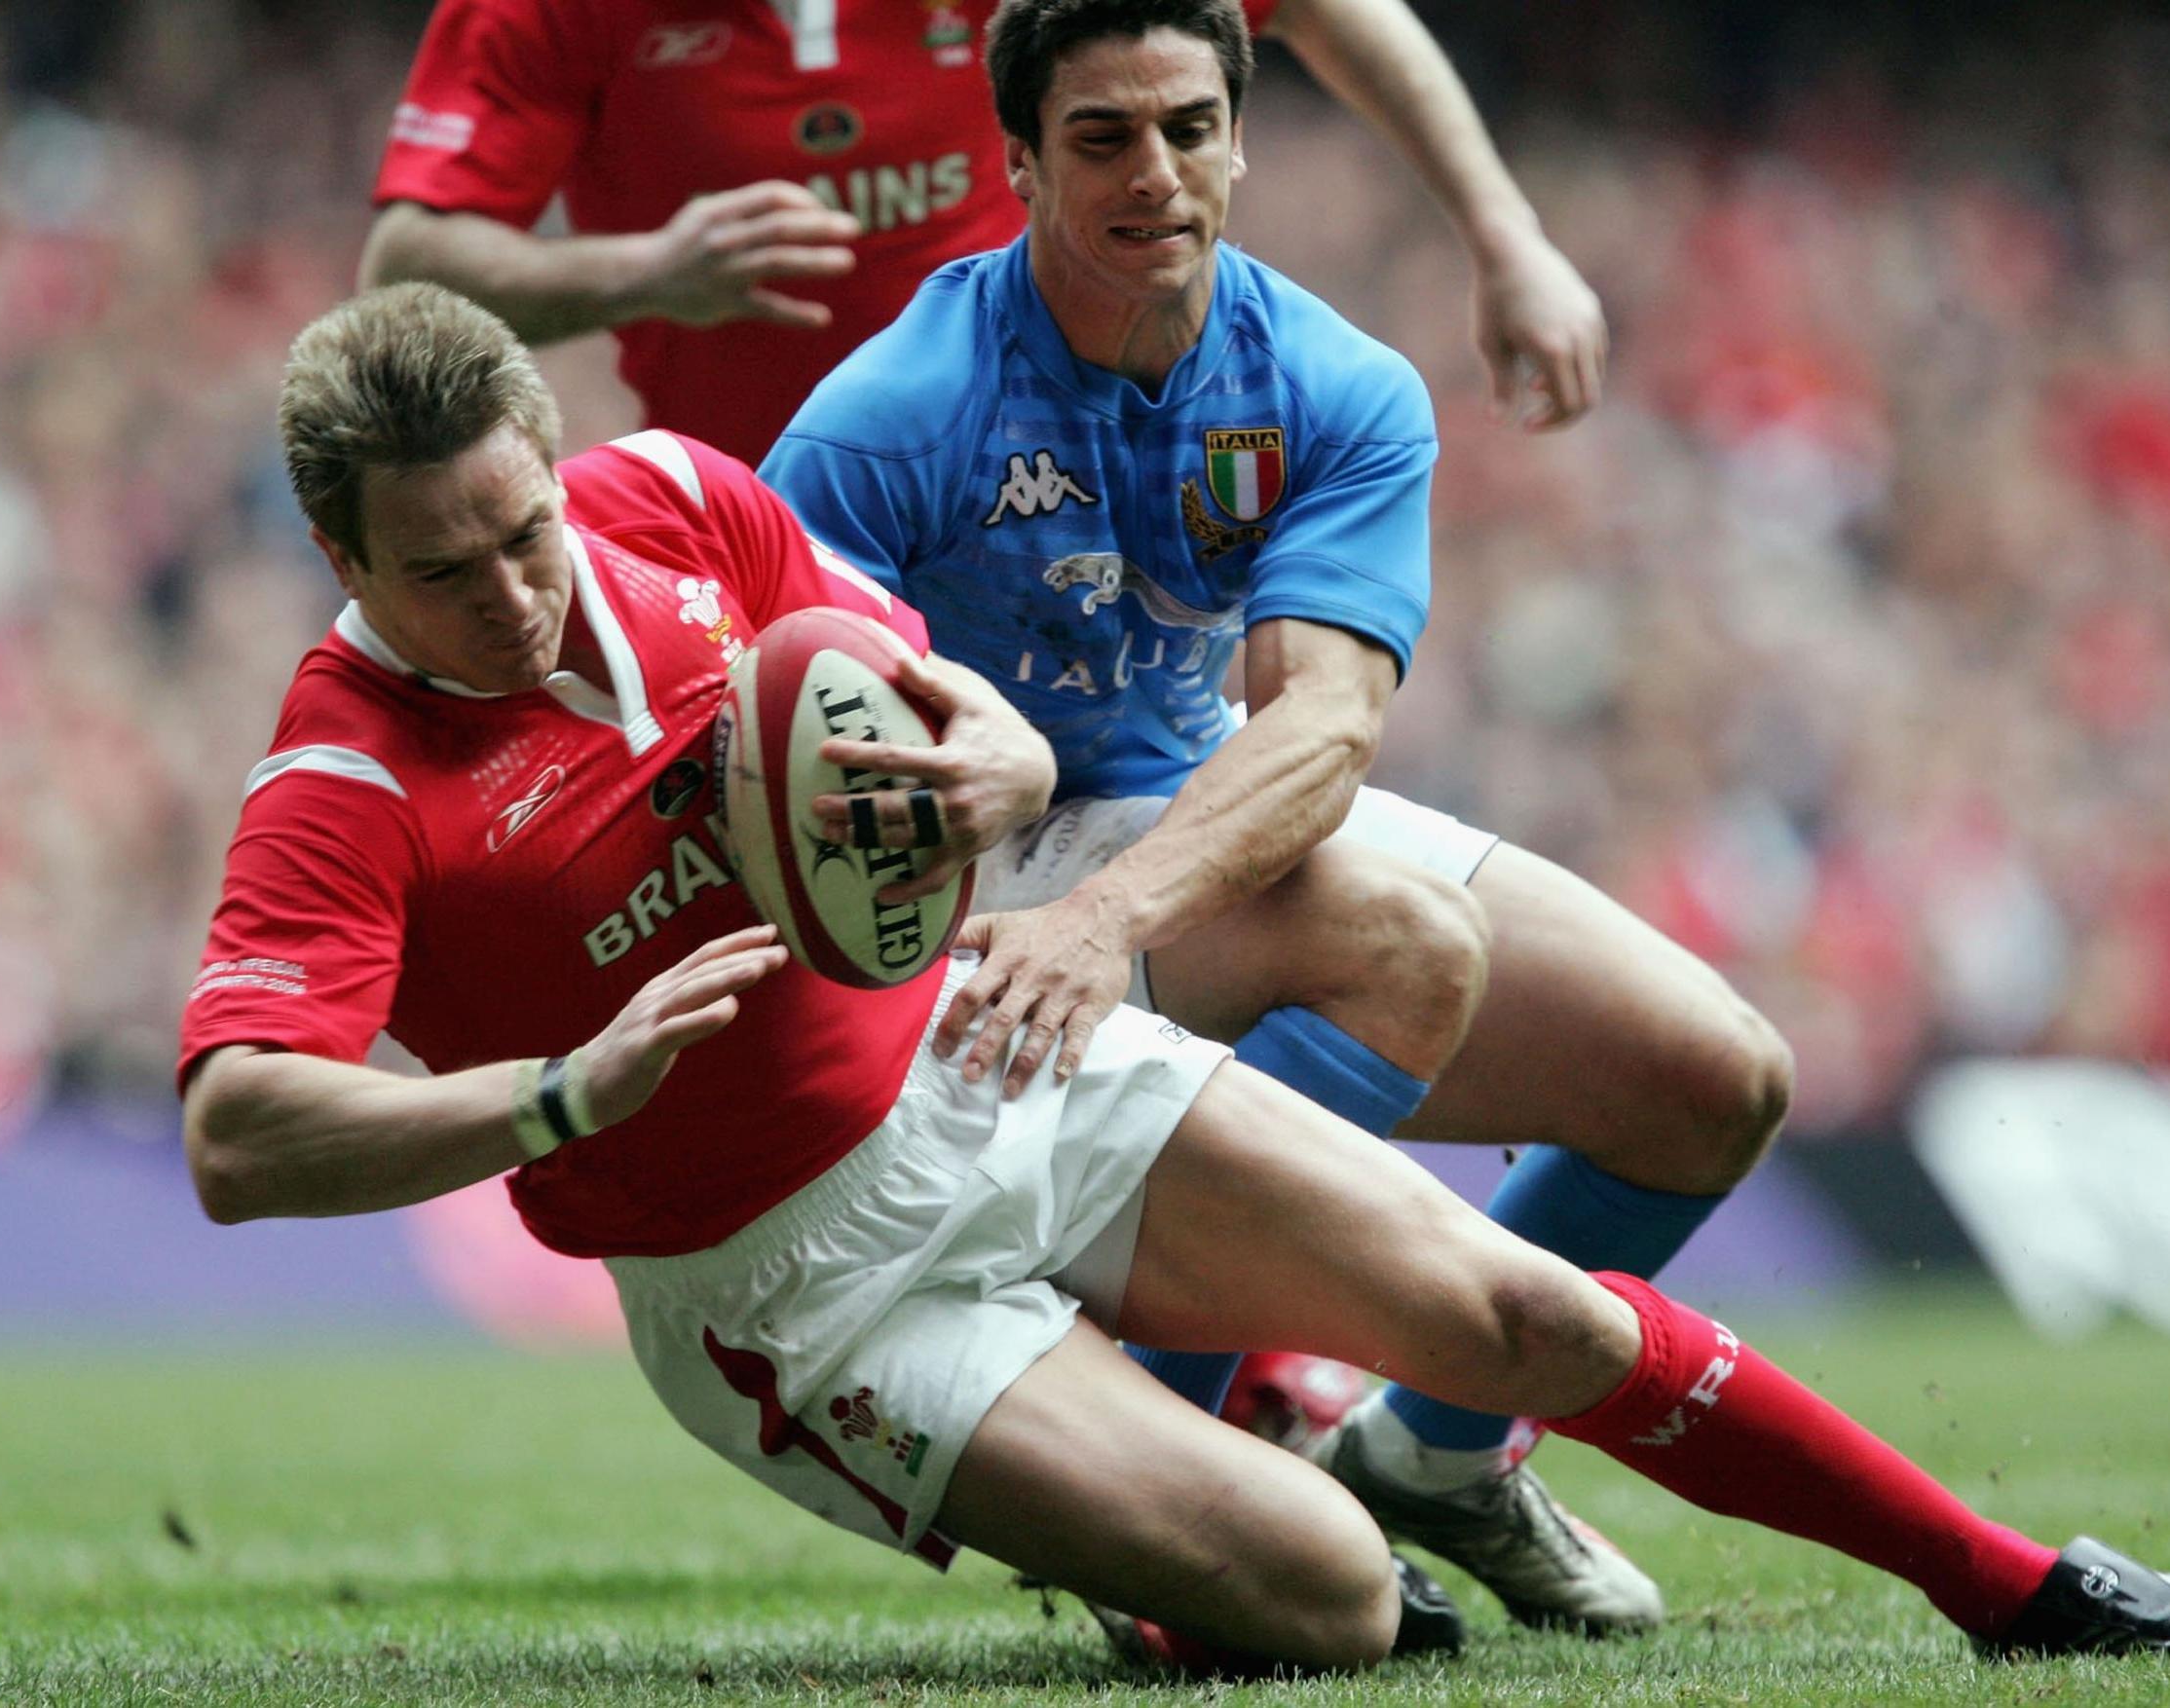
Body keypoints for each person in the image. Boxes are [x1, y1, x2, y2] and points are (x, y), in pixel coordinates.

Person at [178, 280, 2170, 1676]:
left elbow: (893, 659)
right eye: (445, 571)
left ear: (551, 457)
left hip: (973, 1056)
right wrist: (545, 1098)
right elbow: (238, 1134)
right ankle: (1185, 1539)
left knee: (1513, 1308)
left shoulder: (666, 499)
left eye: (520, 527)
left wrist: (995, 752)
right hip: (794, 1283)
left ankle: (2002, 1584)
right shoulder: (342, 779)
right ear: (343, 560)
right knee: (1324, 1596)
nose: (514, 590)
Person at [758, 0, 1792, 1635]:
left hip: (1171, 830)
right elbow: (788, 760)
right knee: (1387, 934)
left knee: (1710, 1075)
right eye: (1100, 135)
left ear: (1240, 140)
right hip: (978, 882)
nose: (1152, 171)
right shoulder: (886, 415)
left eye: (1185, 127)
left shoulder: (1333, 380)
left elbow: (1319, 729)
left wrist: (1116, 916)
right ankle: (1156, 1460)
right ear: (1018, 163)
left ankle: (1435, 1453)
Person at [358, 0, 1607, 465]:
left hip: (1060, 508)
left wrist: (1506, 235)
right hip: (768, 548)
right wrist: (649, 272)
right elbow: (402, 269)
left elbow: (1326, 11)